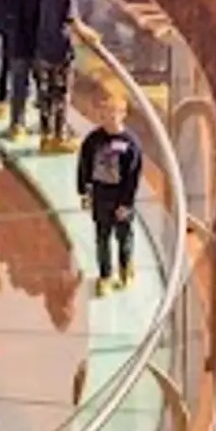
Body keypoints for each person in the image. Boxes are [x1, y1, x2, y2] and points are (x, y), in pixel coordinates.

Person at [77, 107, 146, 294]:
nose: (108, 119)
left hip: (120, 196)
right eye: (104, 114)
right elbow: (84, 165)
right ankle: (105, 274)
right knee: (102, 237)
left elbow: (133, 177)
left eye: (113, 114)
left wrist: (126, 203)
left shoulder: (130, 143)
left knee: (124, 235)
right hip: (101, 195)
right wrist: (84, 191)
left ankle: (125, 266)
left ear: (122, 115)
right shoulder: (93, 140)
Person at [27, 0, 81, 148]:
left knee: (45, 94)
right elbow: (73, 22)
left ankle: (45, 135)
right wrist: (90, 35)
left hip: (43, 49)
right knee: (61, 95)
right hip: (61, 52)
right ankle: (59, 136)